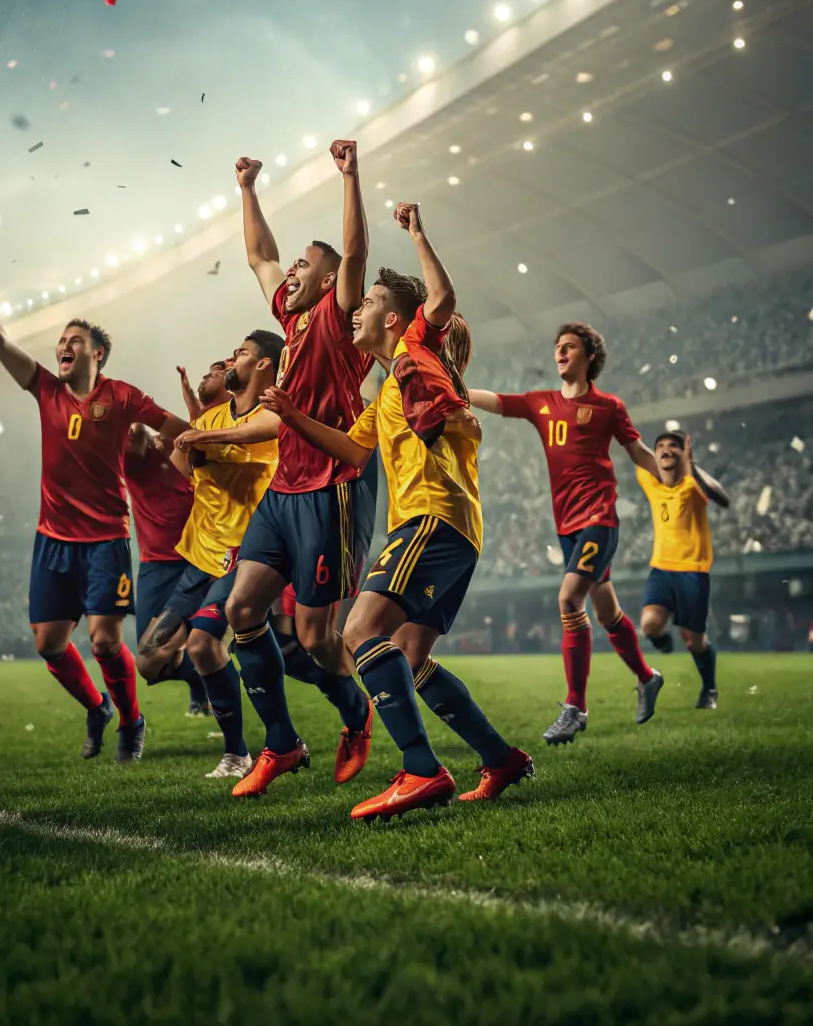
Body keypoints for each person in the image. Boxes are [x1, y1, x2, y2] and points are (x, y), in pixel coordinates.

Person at [265, 203, 534, 822]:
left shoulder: (415, 344)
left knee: (358, 634)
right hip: (454, 528)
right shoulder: (387, 388)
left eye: (367, 302)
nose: (355, 310)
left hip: (430, 520)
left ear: (391, 317)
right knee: (409, 660)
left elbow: (439, 296)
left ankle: (419, 769)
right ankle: (500, 759)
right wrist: (292, 416)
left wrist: (416, 232)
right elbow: (355, 452)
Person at [0, 226, 188, 762]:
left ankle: (131, 721)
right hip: (52, 539)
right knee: (48, 645)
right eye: (61, 340)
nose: (63, 345)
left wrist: (193, 448)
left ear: (97, 353)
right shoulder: (46, 390)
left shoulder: (123, 396)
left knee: (104, 641)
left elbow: (180, 428)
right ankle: (98, 707)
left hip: (105, 540)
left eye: (74, 340)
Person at [205, 142, 378, 797]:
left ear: (331, 282)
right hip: (283, 490)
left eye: (308, 265)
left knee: (312, 636)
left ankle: (357, 713)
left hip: (329, 493)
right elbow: (259, 255)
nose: (294, 271)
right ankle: (280, 744)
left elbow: (354, 253)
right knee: (242, 608)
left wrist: (351, 176)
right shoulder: (289, 313)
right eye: (298, 265)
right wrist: (248, 188)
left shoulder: (339, 318)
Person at [468, 324, 664, 745]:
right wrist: (457, 391)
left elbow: (637, 451)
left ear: (589, 354)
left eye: (569, 347)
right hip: (567, 525)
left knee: (568, 600)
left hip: (599, 519)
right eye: (557, 347)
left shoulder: (609, 406)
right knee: (608, 613)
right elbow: (498, 402)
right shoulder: (542, 404)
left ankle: (575, 707)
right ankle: (648, 679)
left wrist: (665, 473)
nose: (560, 353)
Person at [152, 331, 285, 778]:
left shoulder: (272, 414)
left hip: (242, 551)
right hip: (199, 555)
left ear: (263, 366)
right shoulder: (210, 420)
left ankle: (239, 753)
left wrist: (198, 440)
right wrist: (183, 447)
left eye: (243, 353)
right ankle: (322, 697)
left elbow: (254, 436)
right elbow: (178, 469)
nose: (232, 358)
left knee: (202, 643)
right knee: (149, 657)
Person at [123, 421, 210, 716]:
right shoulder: (136, 467)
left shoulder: (191, 459)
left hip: (195, 565)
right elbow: (133, 433)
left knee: (184, 647)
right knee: (149, 664)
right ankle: (200, 679)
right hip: (155, 568)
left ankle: (216, 681)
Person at [637, 430, 728, 709]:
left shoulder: (693, 485)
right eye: (661, 446)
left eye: (673, 446)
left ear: (683, 454)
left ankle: (709, 689)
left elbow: (722, 498)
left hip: (693, 570)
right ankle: (663, 641)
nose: (666, 450)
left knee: (694, 642)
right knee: (649, 625)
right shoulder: (650, 482)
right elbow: (634, 447)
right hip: (661, 569)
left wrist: (692, 465)